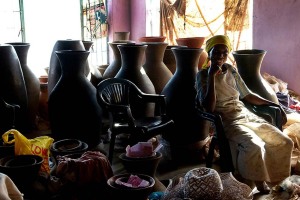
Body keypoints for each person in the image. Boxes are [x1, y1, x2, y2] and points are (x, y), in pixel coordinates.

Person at [195, 35, 293, 193]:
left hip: (244, 115)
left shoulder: (231, 70)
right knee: (253, 145)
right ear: (209, 52)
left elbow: (247, 95)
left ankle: (278, 181)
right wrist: (212, 77)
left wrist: (275, 104)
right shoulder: (202, 76)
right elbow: (209, 108)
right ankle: (257, 182)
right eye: (216, 52)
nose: (220, 56)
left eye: (224, 53)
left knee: (285, 142)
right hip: (226, 120)